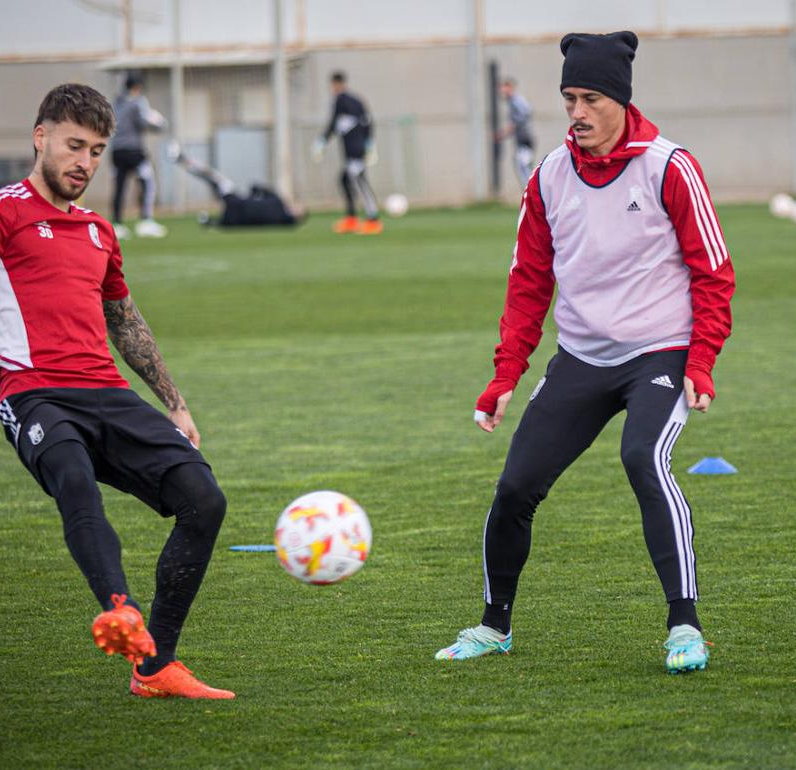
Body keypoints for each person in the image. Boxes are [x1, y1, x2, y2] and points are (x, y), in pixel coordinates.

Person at [0, 84, 234, 700]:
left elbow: (126, 321)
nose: (84, 162)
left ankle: (157, 667)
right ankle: (121, 609)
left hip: (108, 392)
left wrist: (174, 401)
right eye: (73, 145)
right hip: (34, 395)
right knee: (72, 475)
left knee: (204, 498)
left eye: (94, 150)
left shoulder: (97, 230)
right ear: (40, 138)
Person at [434, 32, 735, 674]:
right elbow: (528, 281)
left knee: (643, 460)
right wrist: (504, 374)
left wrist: (701, 360)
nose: (577, 111)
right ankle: (494, 626)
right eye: (569, 97)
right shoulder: (548, 176)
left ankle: (685, 626)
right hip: (581, 358)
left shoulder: (669, 166)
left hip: (660, 353)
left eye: (591, 97)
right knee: (514, 487)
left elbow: (713, 270)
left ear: (620, 99)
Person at [169, 144, 306, 227]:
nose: (294, 205)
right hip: (235, 214)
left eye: (297, 208)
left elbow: (256, 187)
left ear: (297, 215)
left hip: (237, 201)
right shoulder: (282, 221)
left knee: (213, 176)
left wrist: (254, 193)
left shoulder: (279, 202)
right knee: (212, 179)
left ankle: (181, 158)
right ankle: (207, 220)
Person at [312, 71, 382, 235]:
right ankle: (351, 219)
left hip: (355, 151)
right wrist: (369, 142)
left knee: (360, 182)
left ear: (336, 84)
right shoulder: (356, 101)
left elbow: (334, 123)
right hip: (354, 150)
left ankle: (373, 220)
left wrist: (322, 141)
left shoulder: (342, 100)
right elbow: (366, 122)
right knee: (344, 180)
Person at [111, 72, 167, 239]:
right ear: (137, 87)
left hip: (116, 151)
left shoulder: (116, 102)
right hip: (134, 151)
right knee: (147, 182)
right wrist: (161, 124)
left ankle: (117, 224)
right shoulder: (138, 101)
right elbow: (145, 121)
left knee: (120, 187)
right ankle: (146, 221)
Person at [496, 77, 536, 190]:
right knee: (521, 165)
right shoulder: (512, 102)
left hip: (525, 138)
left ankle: (530, 192)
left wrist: (512, 126)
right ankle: (529, 192)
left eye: (504, 87)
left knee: (523, 166)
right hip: (521, 139)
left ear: (510, 87)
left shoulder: (516, 100)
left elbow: (526, 112)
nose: (502, 91)